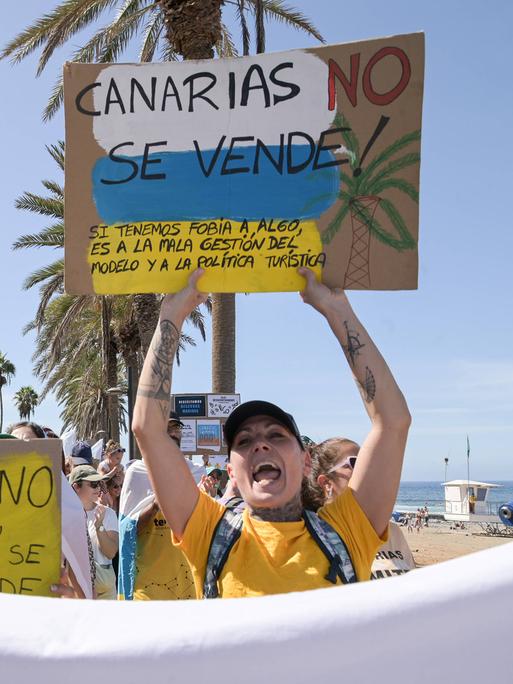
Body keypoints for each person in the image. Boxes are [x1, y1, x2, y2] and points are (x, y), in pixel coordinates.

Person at [133, 268, 411, 598]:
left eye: (277, 436)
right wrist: (171, 315)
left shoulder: (348, 530)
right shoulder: (209, 533)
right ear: (231, 470)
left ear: (306, 461)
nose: (261, 445)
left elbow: (393, 422)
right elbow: (148, 429)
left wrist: (338, 310)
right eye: (245, 441)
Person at [303, 438, 415, 579]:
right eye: (356, 463)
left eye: (369, 462)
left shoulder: (393, 532)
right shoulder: (313, 536)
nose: (368, 469)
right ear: (326, 483)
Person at [6, 421, 94, 599]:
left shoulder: (67, 513)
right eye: (10, 446)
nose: (19, 454)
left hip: (44, 615)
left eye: (27, 446)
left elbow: (83, 588)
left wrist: (71, 599)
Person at [117, 455, 203, 601]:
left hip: (187, 586)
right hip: (146, 589)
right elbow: (126, 532)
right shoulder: (137, 473)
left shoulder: (195, 472)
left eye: (176, 438)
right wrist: (155, 506)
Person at [69, 465, 119, 600]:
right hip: (78, 589)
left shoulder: (107, 513)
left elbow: (111, 552)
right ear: (76, 487)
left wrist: (99, 526)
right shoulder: (65, 516)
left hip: (105, 590)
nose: (98, 488)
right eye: (93, 484)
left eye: (99, 484)